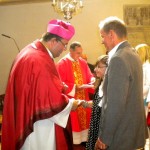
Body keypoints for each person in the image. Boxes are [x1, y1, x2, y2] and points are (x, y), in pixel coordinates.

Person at [2, 19, 83, 150]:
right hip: (38, 125)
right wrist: (70, 104)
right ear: (53, 41)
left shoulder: (31, 51)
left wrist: (59, 86)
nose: (64, 49)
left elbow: (37, 85)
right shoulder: (38, 59)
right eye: (64, 45)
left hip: (27, 111)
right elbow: (48, 99)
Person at [95, 16, 148, 150]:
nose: (102, 41)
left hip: (121, 134)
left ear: (111, 34)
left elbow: (115, 103)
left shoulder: (118, 58)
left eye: (102, 36)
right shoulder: (132, 53)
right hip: (132, 130)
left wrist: (104, 137)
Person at [56, 41, 95, 146]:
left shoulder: (82, 62)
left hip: (84, 97)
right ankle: (75, 141)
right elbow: (60, 83)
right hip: (72, 99)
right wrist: (75, 87)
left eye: (81, 52)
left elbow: (89, 75)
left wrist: (92, 80)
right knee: (74, 120)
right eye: (78, 53)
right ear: (71, 51)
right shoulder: (62, 63)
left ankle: (85, 139)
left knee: (86, 117)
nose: (80, 55)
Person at [86, 55, 108, 150]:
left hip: (102, 125)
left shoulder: (110, 86)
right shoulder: (100, 83)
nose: (95, 69)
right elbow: (98, 103)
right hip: (95, 122)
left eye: (99, 67)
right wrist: (86, 103)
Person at [135, 44, 150, 150]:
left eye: (137, 52)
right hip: (141, 97)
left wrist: (138, 94)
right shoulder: (142, 66)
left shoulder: (147, 67)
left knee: (143, 122)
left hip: (144, 98)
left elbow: (148, 85)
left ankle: (145, 144)